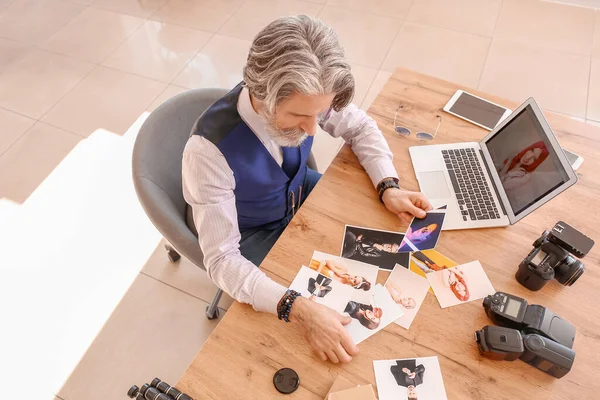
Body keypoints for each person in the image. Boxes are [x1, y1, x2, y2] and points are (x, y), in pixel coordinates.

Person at [182, 15, 432, 365]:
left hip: (296, 195)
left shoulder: (308, 99)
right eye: (300, 116)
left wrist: (387, 185)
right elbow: (223, 260)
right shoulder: (207, 153)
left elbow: (360, 127)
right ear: (261, 95)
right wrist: (296, 308)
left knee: (380, 253)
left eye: (322, 113)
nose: (315, 130)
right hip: (248, 230)